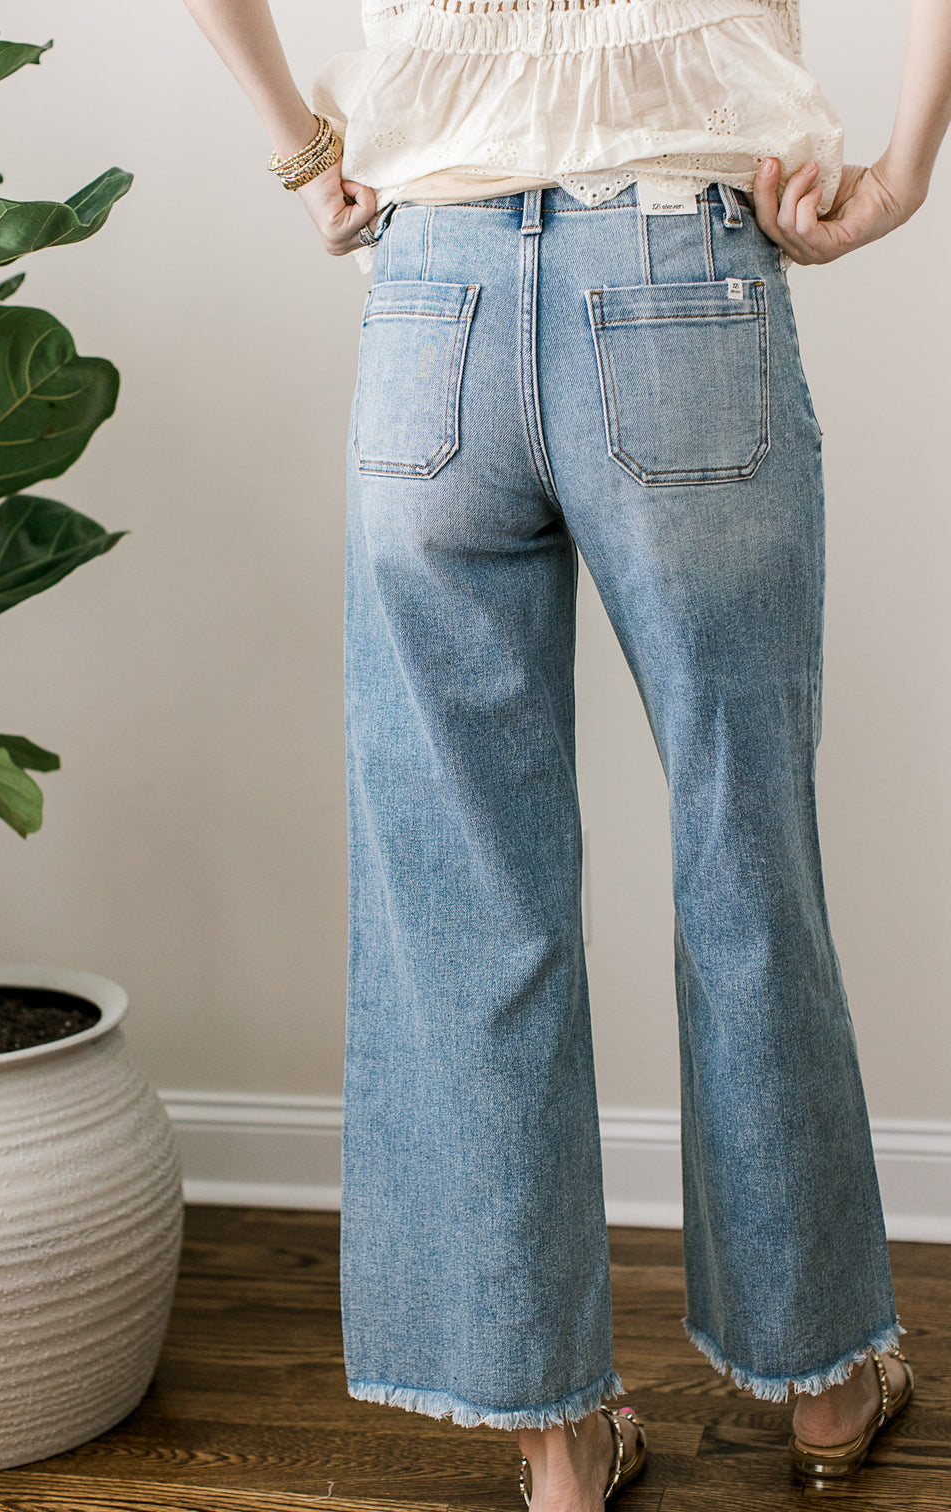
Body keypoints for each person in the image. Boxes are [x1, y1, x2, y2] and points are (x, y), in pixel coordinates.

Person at [181, 2, 949, 1505]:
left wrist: (301, 150)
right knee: (745, 852)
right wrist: (907, 166)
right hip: (680, 277)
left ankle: (559, 1451)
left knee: (465, 895)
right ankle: (827, 1389)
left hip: (433, 296)